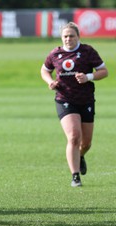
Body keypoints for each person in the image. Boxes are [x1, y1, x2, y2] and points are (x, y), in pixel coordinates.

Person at [40, 22, 108, 187]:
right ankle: (75, 176)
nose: (68, 39)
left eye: (71, 36)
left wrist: (88, 77)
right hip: (65, 99)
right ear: (61, 37)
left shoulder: (87, 52)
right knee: (73, 136)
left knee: (86, 143)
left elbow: (104, 71)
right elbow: (44, 70)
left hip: (86, 100)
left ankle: (80, 156)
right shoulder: (55, 53)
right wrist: (50, 81)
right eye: (65, 36)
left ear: (78, 37)